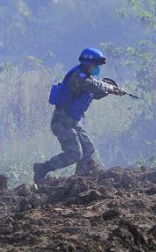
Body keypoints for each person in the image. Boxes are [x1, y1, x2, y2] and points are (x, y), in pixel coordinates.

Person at [33, 47, 125, 183]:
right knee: (74, 154)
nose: (97, 69)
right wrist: (112, 88)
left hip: (73, 122)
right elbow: (94, 86)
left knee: (88, 149)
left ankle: (79, 180)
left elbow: (96, 92)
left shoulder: (87, 77)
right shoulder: (77, 77)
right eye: (95, 65)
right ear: (88, 64)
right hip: (62, 123)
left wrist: (111, 90)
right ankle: (43, 168)